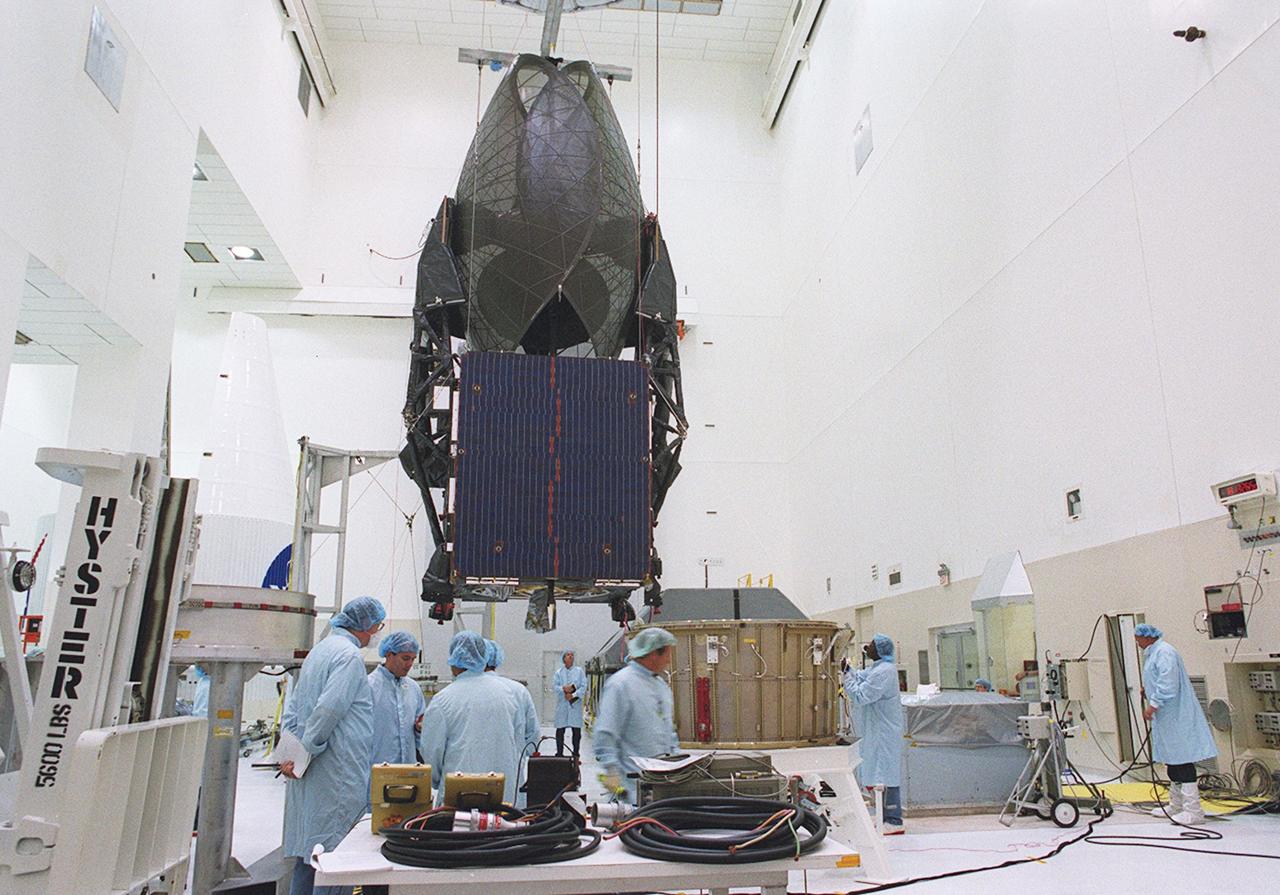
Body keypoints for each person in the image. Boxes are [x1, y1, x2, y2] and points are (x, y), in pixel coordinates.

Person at [280, 596, 385, 895]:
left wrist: (290, 755)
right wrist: (306, 753)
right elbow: (329, 709)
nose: (377, 632)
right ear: (366, 625)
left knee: (307, 855)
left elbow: (295, 706)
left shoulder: (320, 650)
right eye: (377, 626)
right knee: (335, 857)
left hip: (310, 772)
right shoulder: (349, 657)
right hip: (334, 772)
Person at [420, 631, 524, 805]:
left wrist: (437, 781)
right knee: (501, 830)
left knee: (461, 830)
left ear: (454, 659)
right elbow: (519, 741)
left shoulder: (443, 699)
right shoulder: (508, 694)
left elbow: (431, 752)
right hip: (503, 794)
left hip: (459, 795)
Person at [1135, 623, 1216, 825]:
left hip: (1176, 715)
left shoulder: (1165, 652)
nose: (1136, 642)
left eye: (1138, 638)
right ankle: (1176, 805)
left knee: (1183, 760)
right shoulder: (1153, 653)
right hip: (1167, 718)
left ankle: (1193, 811)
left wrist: (1152, 705)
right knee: (1172, 760)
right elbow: (1157, 679)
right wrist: (1148, 690)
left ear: (1148, 637)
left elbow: (1168, 684)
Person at [594, 627, 680, 803]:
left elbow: (669, 734)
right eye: (667, 654)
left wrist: (679, 767)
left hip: (661, 788)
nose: (669, 660)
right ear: (653, 654)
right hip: (630, 790)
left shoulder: (661, 686)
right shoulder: (620, 685)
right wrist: (616, 786)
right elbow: (605, 736)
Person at [843, 634, 904, 834]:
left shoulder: (884, 671)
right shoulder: (878, 669)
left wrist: (846, 677)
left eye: (870, 645)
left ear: (879, 649)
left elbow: (861, 696)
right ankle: (884, 817)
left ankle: (893, 820)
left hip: (883, 732)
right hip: (877, 730)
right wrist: (848, 670)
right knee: (880, 772)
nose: (866, 648)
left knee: (885, 774)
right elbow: (862, 676)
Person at [484, 639, 540, 803]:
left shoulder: (459, 691)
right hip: (511, 775)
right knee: (512, 822)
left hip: (469, 783)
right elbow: (533, 736)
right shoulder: (519, 691)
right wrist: (520, 757)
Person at [368, 631, 427, 765]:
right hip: (376, 770)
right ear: (389, 655)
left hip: (408, 770)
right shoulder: (369, 686)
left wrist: (420, 729)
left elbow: (420, 737)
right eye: (405, 658)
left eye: (413, 659)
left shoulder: (413, 688)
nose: (410, 664)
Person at [554, 650, 588, 760]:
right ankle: (559, 754)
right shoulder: (559, 672)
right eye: (568, 655)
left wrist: (573, 695)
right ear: (563, 658)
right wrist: (563, 689)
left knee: (576, 731)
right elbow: (555, 686)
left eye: (572, 655)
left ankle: (576, 754)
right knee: (560, 730)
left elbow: (584, 686)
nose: (570, 657)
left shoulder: (579, 671)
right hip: (563, 704)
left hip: (575, 704)